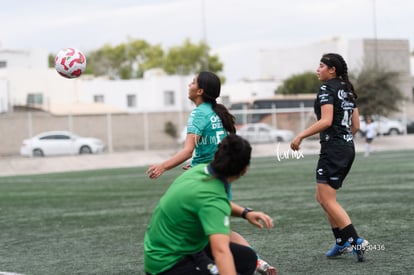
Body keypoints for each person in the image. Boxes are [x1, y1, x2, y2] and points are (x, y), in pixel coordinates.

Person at [146, 71, 276, 274]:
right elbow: (218, 147)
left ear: (199, 91)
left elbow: (188, 150)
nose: (188, 84)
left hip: (208, 177)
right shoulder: (217, 112)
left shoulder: (199, 113)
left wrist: (163, 166)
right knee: (218, 227)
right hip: (218, 174)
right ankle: (256, 261)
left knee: (214, 232)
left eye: (192, 82)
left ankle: (229, 262)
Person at [144, 134, 274, 275]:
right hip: (168, 264)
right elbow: (221, 252)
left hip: (184, 248)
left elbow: (211, 203)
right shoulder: (213, 199)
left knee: (247, 258)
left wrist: (245, 213)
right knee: (226, 262)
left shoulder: (199, 170)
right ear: (245, 169)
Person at [290, 53, 369, 262]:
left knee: (327, 199)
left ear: (331, 69)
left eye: (321, 65)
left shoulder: (327, 88)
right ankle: (341, 242)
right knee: (322, 197)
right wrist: (343, 141)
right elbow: (356, 126)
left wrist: (300, 135)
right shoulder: (348, 89)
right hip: (346, 147)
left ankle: (355, 240)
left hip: (333, 149)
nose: (318, 69)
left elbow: (326, 121)